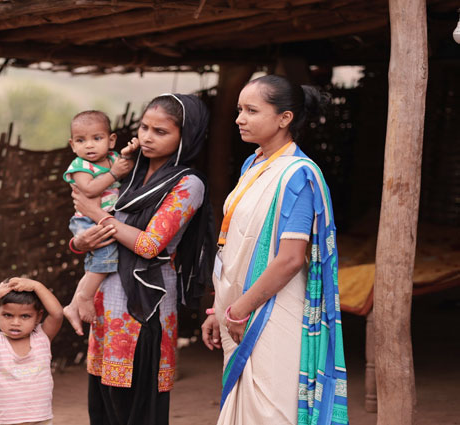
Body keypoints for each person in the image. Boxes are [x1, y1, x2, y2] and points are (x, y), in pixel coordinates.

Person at [200, 75, 348, 425]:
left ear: (285, 118)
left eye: (252, 110)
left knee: (271, 411)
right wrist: (219, 308)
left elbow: (290, 259)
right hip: (238, 307)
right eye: (239, 110)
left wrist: (239, 310)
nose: (239, 118)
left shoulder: (298, 175)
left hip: (274, 311)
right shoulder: (253, 166)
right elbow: (236, 243)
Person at [71, 94, 216, 425]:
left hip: (145, 307)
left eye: (161, 131)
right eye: (144, 128)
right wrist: (79, 240)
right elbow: (87, 231)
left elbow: (150, 244)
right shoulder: (127, 173)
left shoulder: (187, 183)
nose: (148, 137)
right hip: (105, 303)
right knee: (105, 405)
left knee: (138, 409)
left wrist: (95, 213)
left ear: (186, 135)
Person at [62, 110, 135, 335]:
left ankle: (73, 305)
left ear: (111, 140)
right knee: (106, 255)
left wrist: (130, 153)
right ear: (73, 145)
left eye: (97, 138)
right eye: (81, 141)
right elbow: (89, 189)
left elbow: (130, 167)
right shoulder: (80, 166)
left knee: (97, 264)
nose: (90, 146)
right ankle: (83, 297)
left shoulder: (113, 158)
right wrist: (113, 174)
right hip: (85, 221)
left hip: (102, 218)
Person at [0, 277, 64, 425]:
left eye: (25, 316)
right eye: (8, 315)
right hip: (5, 421)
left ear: (38, 317)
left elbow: (58, 314)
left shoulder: (42, 337)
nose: (15, 322)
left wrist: (36, 286)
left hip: (41, 419)